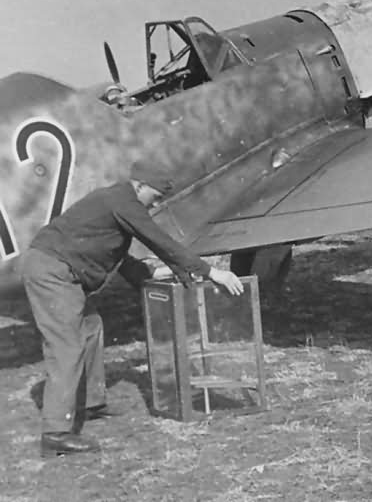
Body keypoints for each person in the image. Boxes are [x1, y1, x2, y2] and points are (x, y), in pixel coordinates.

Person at [17, 160, 244, 457]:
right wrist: (210, 272)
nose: (156, 203)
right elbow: (158, 239)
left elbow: (119, 256)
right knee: (66, 346)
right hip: (52, 271)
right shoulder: (123, 200)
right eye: (156, 196)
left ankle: (91, 402)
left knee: (91, 327)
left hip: (60, 270)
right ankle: (56, 432)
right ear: (140, 185)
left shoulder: (115, 203)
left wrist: (155, 273)